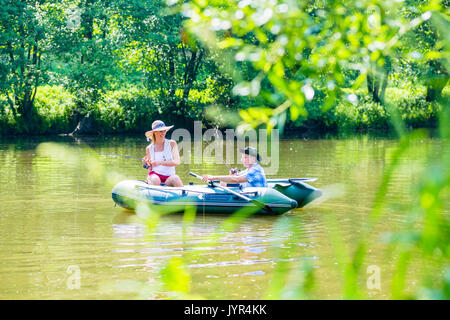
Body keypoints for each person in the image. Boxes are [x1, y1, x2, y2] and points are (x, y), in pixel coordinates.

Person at [142, 120, 183, 187]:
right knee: (155, 180)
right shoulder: (149, 148)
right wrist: (147, 164)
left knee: (175, 178)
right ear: (154, 132)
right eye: (161, 131)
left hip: (169, 177)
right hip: (155, 176)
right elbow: (150, 168)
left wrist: (159, 162)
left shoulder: (172, 143)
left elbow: (177, 162)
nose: (163, 133)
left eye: (164, 131)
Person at [201, 147, 267, 188]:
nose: (242, 160)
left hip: (257, 198)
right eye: (242, 157)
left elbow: (236, 179)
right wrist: (232, 174)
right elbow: (236, 176)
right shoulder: (249, 169)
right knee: (225, 181)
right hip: (251, 194)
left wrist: (213, 177)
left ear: (254, 158)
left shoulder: (255, 170)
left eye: (245, 157)